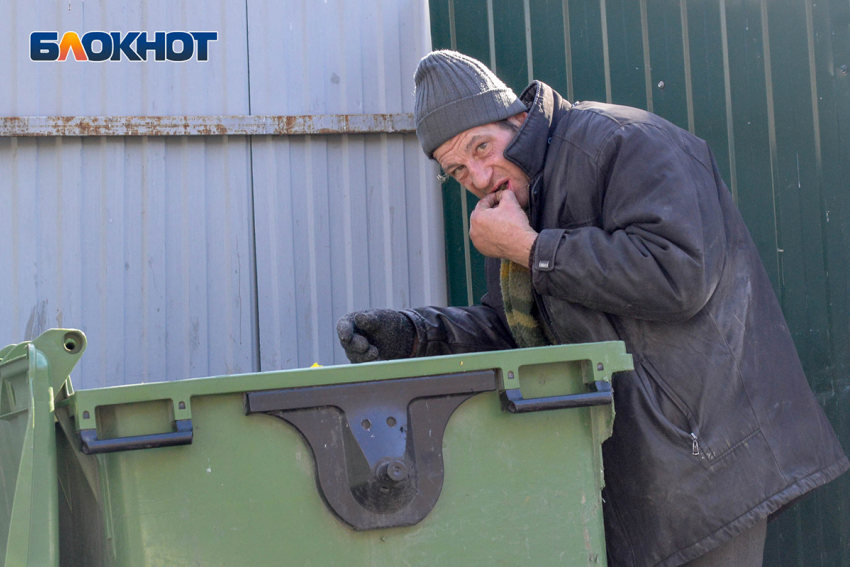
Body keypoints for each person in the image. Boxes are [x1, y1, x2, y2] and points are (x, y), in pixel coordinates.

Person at [336, 50, 849, 567]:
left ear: (517, 116)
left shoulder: (624, 141)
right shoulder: (516, 204)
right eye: (459, 170)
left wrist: (532, 249)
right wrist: (416, 334)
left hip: (706, 464)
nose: (480, 174)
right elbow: (514, 330)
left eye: (482, 146)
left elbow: (679, 273)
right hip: (632, 482)